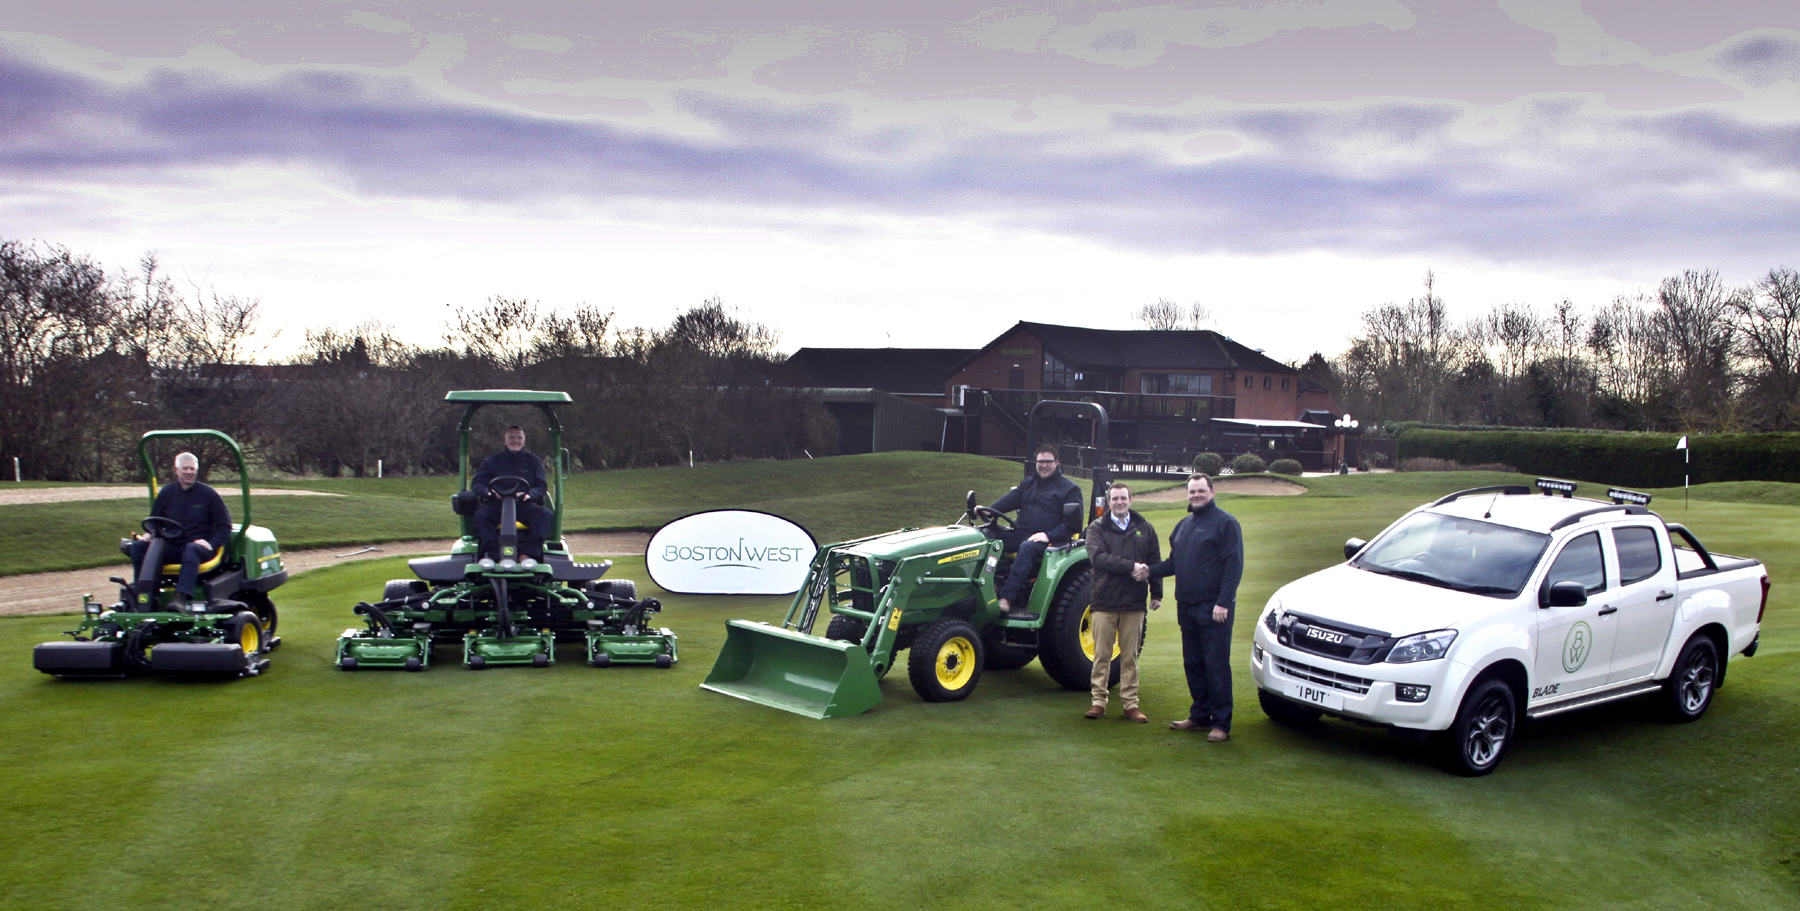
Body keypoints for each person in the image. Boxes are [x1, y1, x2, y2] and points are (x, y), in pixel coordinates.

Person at [1148, 472, 1243, 742]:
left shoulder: (1225, 523)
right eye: (1192, 491)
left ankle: (1221, 723)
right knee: (1193, 664)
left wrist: (1223, 602)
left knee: (1216, 665)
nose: (1196, 495)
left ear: (1212, 491)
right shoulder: (1183, 525)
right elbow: (1174, 563)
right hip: (1187, 607)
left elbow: (1233, 564)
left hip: (1213, 608)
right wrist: (1149, 571)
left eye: (1201, 491)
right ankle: (1200, 716)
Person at [1083, 483, 1161, 722]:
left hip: (1134, 602)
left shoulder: (1144, 528)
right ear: (1109, 502)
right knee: (1101, 655)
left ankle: (1130, 704)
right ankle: (1098, 702)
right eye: (1115, 498)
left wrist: (1157, 593)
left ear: (1130, 500)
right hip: (1104, 600)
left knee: (1130, 657)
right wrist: (1132, 567)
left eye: (1123, 498)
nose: (1119, 502)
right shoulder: (1096, 527)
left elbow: (1154, 560)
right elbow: (1099, 558)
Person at [988, 443, 1083, 621]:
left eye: (1048, 462)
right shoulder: (1028, 484)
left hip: (1051, 539)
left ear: (1057, 463)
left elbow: (1072, 525)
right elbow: (1009, 501)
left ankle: (1006, 598)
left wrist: (1048, 535)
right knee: (988, 536)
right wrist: (988, 510)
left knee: (1027, 547)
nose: (1044, 465)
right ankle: (989, 586)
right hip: (1021, 533)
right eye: (1040, 462)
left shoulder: (1069, 489)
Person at [127, 451, 231, 610]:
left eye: (192, 469)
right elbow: (155, 520)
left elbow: (225, 525)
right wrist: (150, 532)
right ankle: (144, 594)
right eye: (185, 468)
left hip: (199, 547)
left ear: (196, 470)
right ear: (176, 470)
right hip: (173, 544)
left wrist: (211, 544)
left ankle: (181, 598)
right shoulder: (167, 493)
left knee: (191, 549)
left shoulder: (208, 494)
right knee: (138, 547)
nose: (189, 472)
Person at [472, 425, 554, 560]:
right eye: (511, 437)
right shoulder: (492, 461)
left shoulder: (533, 461)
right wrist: (489, 493)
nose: (515, 440)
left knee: (545, 515)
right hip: (497, 504)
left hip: (523, 505)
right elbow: (478, 484)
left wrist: (529, 494)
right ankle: (496, 554)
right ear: (505, 441)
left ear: (524, 441)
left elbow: (541, 486)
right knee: (480, 517)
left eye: (519, 438)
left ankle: (528, 554)